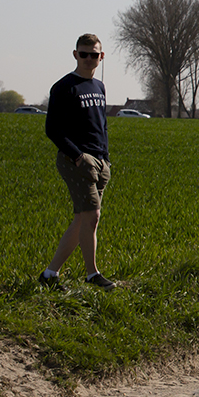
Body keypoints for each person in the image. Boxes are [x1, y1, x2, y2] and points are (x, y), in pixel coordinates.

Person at [40, 33, 115, 290]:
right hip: (76, 161)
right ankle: (92, 274)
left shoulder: (99, 87)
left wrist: (105, 158)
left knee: (83, 219)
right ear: (75, 55)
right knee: (92, 214)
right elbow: (52, 129)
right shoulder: (64, 87)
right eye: (83, 54)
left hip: (100, 162)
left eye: (94, 55)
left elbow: (101, 126)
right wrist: (78, 156)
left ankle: (50, 275)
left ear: (101, 57)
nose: (88, 59)